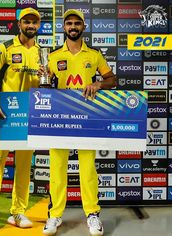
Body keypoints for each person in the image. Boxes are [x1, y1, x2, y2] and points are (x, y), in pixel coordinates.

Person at [41, 9, 117, 236]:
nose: (73, 27)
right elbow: (45, 86)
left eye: (77, 23)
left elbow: (112, 79)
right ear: (63, 28)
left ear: (83, 27)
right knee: (57, 170)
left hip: (87, 119)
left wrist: (98, 85)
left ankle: (92, 214)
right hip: (60, 119)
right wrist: (43, 77)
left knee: (87, 170)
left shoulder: (93, 55)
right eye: (69, 24)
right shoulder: (53, 56)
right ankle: (55, 215)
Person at [0, 7, 41, 233]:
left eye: (34, 22)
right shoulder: (5, 48)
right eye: (26, 21)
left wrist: (47, 78)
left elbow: (44, 85)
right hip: (6, 117)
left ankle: (18, 212)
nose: (30, 25)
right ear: (19, 23)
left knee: (23, 167)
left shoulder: (42, 52)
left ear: (38, 25)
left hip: (29, 117)